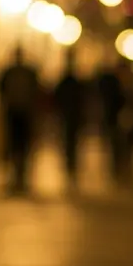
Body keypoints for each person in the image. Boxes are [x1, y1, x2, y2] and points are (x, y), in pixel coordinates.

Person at [0, 47, 41, 195]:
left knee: (21, 145)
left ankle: (21, 177)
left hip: (24, 113)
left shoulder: (23, 73)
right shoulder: (12, 72)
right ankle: (17, 176)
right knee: (15, 145)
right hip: (15, 113)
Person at [53, 50, 86, 188]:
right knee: (69, 139)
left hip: (73, 114)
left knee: (72, 139)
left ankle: (71, 161)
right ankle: (70, 161)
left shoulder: (73, 81)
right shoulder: (69, 81)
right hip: (68, 114)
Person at [97, 60, 127, 181]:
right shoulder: (116, 86)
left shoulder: (119, 85)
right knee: (116, 143)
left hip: (117, 118)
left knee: (119, 143)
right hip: (115, 119)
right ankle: (117, 167)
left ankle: (119, 167)